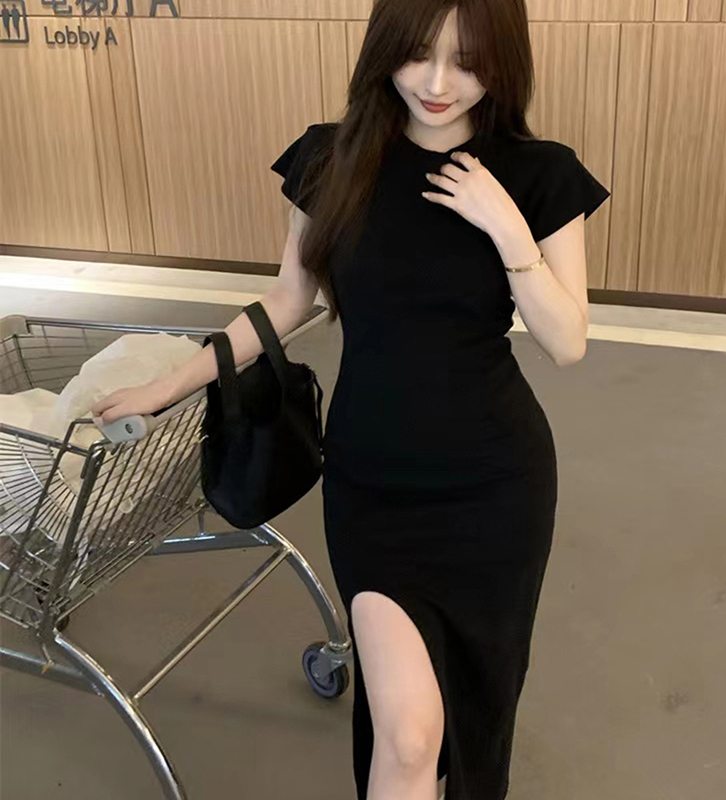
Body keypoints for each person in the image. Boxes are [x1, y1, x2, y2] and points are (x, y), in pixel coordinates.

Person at [93, 1, 611, 798]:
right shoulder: (331, 160)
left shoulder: (537, 173)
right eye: (418, 54)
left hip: (496, 489)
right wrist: (168, 385)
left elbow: (567, 341)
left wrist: (510, 232)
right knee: (407, 735)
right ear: (384, 48)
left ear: (503, 64)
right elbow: (286, 301)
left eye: (468, 62)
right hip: (375, 488)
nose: (437, 82)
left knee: (477, 707)